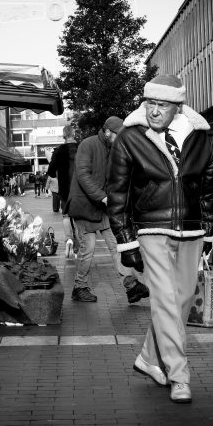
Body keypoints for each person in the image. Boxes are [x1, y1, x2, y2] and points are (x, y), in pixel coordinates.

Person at [107, 75, 213, 404]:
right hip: (150, 229)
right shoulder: (130, 137)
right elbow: (116, 193)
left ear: (177, 107)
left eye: (162, 105)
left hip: (192, 228)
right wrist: (125, 240)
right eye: (150, 104)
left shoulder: (200, 137)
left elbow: (208, 187)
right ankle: (178, 375)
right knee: (166, 301)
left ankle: (149, 358)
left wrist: (209, 229)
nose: (155, 111)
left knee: (181, 302)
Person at [67, 116, 149, 304]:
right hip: (84, 206)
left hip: (103, 208)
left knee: (116, 246)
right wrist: (103, 197)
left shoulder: (115, 149)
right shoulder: (87, 145)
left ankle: (131, 286)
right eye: (117, 135)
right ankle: (79, 287)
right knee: (88, 250)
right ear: (106, 131)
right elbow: (83, 175)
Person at [48, 124, 79, 257]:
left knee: (66, 215)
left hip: (65, 189)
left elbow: (51, 171)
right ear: (74, 134)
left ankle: (69, 239)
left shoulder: (59, 150)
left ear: (63, 136)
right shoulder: (82, 147)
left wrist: (56, 174)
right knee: (78, 216)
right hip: (80, 189)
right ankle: (80, 244)